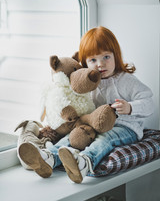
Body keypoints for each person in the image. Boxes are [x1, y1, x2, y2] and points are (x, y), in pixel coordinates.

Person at [19, 26, 154, 183]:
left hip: (126, 128)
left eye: (106, 57)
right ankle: (49, 158)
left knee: (105, 138)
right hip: (94, 125)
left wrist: (130, 107)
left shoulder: (125, 80)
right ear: (84, 63)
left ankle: (84, 162)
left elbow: (148, 102)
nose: (100, 64)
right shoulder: (88, 83)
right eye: (93, 60)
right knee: (74, 135)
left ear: (115, 55)